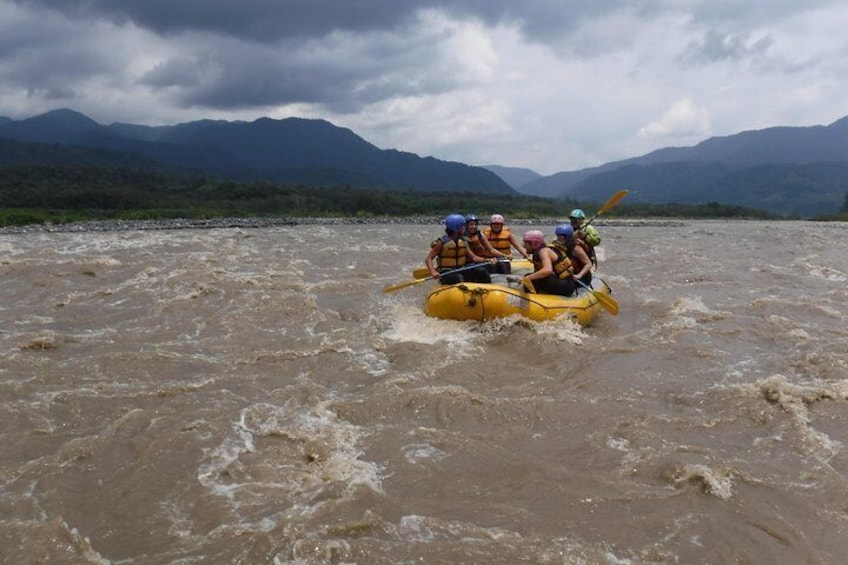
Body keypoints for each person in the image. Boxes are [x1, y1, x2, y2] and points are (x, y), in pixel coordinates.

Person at [425, 213, 496, 285]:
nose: (464, 228)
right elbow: (428, 259)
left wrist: (486, 260)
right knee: (458, 278)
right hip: (447, 272)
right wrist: (433, 271)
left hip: (462, 269)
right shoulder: (442, 242)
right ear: (456, 227)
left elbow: (474, 257)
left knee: (482, 272)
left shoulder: (463, 240)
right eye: (463, 226)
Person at [508, 230, 575, 296]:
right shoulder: (539, 252)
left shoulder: (544, 251)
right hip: (561, 281)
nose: (524, 246)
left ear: (534, 243)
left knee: (530, 279)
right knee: (529, 277)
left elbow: (547, 270)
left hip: (566, 285)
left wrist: (525, 279)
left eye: (526, 243)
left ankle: (532, 300)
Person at [553, 223, 593, 288]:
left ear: (568, 236)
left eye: (562, 236)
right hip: (566, 275)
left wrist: (579, 275)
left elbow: (588, 264)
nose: (559, 238)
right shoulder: (557, 245)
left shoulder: (576, 249)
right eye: (558, 235)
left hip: (581, 277)